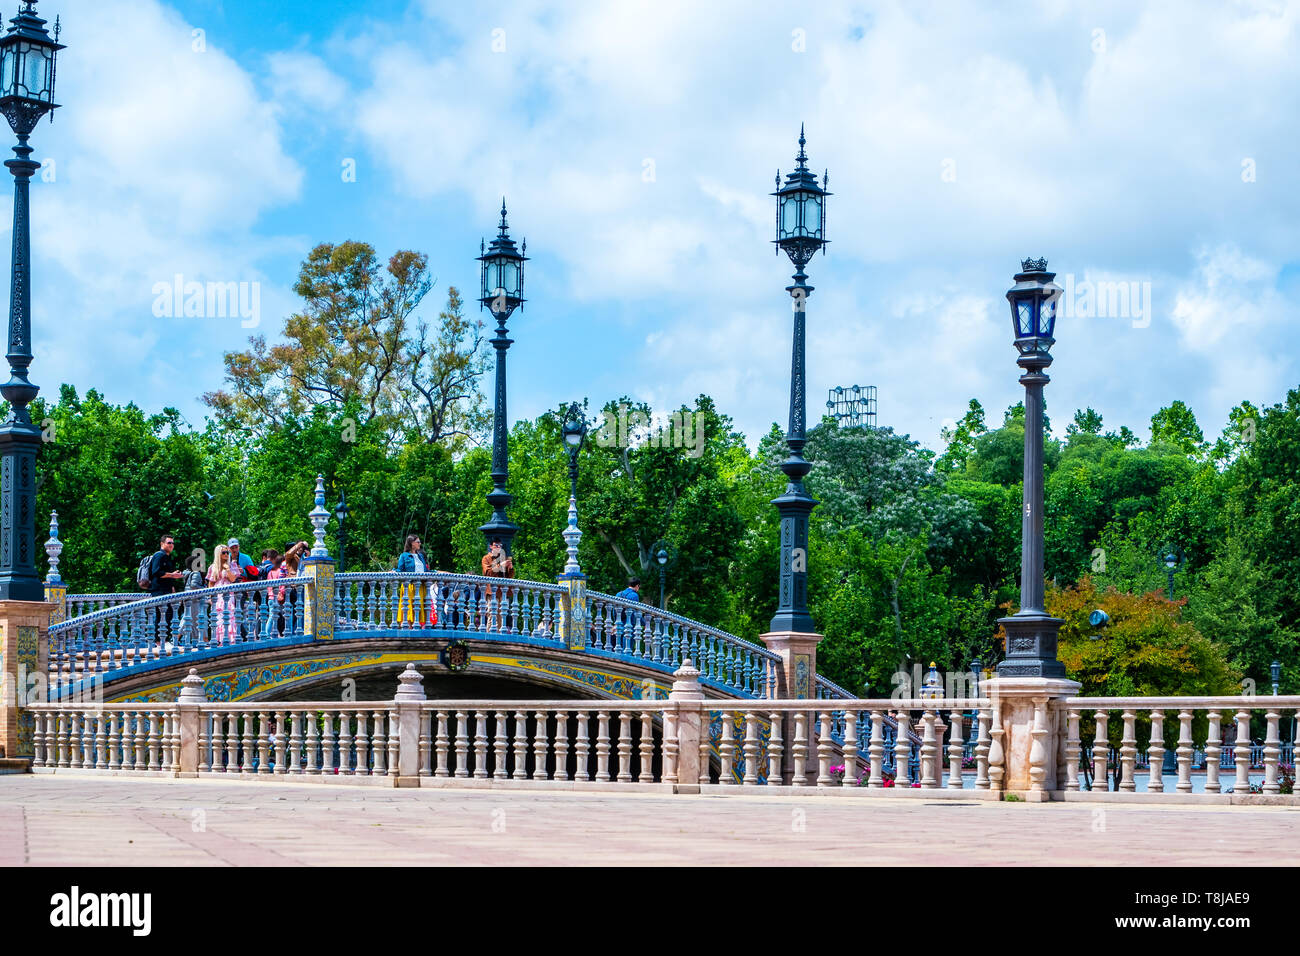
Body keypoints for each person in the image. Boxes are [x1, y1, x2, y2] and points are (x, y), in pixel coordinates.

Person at [145, 534, 185, 645]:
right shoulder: (159, 556)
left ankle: (163, 640)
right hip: (159, 590)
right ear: (162, 544)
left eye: (172, 543)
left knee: (167, 614)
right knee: (162, 614)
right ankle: (159, 641)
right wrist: (172, 575)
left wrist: (173, 589)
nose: (171, 545)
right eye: (169, 543)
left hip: (166, 590)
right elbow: (156, 572)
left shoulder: (167, 557)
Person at [395, 534, 435, 627]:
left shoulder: (420, 556)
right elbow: (400, 570)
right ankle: (407, 631)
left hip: (421, 586)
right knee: (409, 609)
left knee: (419, 609)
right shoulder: (404, 556)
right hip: (410, 586)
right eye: (418, 542)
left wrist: (437, 572)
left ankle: (417, 631)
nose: (420, 543)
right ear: (412, 543)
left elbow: (426, 570)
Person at [206, 544, 242, 644]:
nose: (226, 554)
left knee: (230, 615)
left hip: (229, 594)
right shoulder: (213, 567)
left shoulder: (232, 565)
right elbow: (211, 583)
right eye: (224, 553)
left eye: (227, 552)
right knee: (219, 618)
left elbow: (233, 579)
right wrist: (210, 597)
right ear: (218, 554)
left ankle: (231, 639)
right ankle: (221, 640)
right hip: (218, 595)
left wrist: (227, 569)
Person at [480, 538, 515, 631]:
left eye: (500, 546)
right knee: (492, 615)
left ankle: (498, 637)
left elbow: (509, 576)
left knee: (501, 617)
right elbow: (488, 573)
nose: (498, 547)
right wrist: (501, 565)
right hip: (492, 592)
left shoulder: (502, 558)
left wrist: (510, 568)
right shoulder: (486, 558)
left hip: (502, 592)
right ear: (491, 546)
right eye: (496, 545)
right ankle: (488, 637)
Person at [614, 577, 642, 650]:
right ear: (637, 586)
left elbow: (614, 611)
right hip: (629, 624)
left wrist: (615, 622)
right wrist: (643, 623)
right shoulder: (634, 595)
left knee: (618, 647)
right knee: (627, 647)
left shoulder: (618, 594)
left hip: (619, 623)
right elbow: (636, 612)